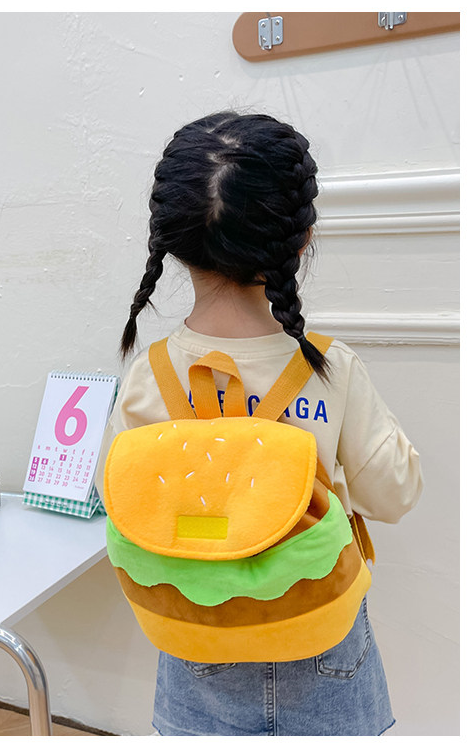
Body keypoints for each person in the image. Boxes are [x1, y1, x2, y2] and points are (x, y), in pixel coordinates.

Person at [97, 111, 423, 736]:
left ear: (170, 242)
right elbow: (395, 494)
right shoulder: (330, 370)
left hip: (195, 634)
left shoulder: (149, 376)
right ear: (300, 239)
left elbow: (116, 497)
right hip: (322, 638)